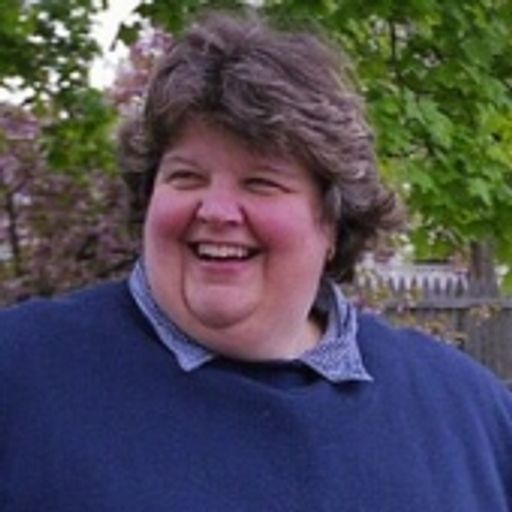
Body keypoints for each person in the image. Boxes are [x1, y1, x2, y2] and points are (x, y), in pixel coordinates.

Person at [1, 10, 511, 512]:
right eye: (186, 177)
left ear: (333, 222)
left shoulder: (467, 413)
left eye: (261, 183)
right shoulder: (22, 375)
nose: (216, 210)